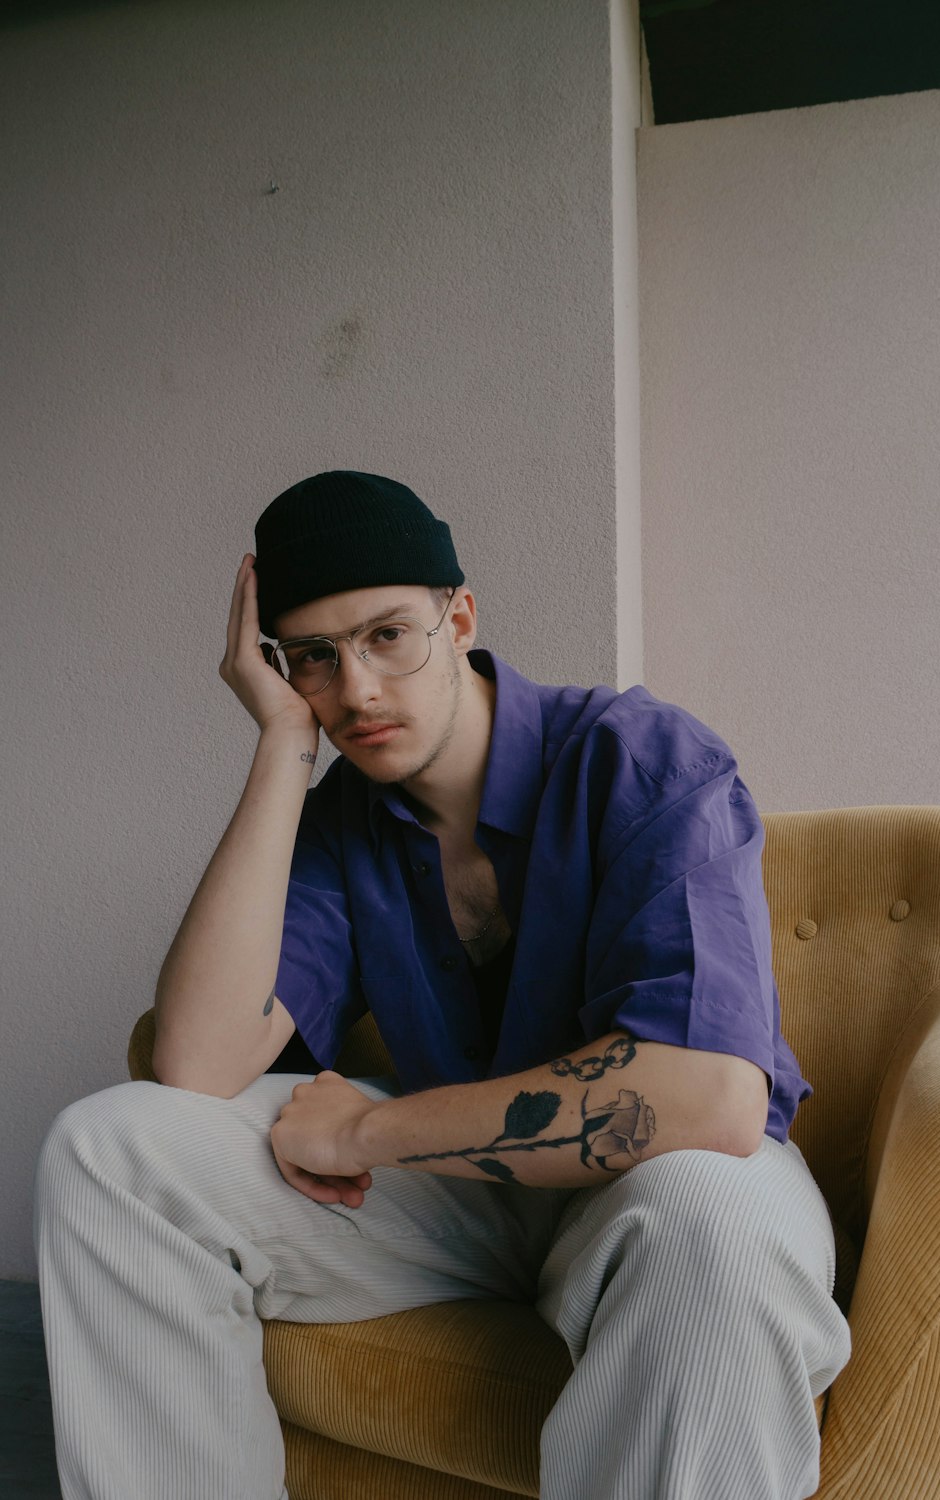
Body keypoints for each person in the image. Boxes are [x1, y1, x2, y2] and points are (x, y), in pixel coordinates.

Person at [34, 470, 851, 1500]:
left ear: (459, 617)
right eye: (314, 660)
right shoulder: (341, 817)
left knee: (712, 1226)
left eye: (386, 637)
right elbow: (193, 1062)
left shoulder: (639, 758)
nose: (357, 692)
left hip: (662, 1180)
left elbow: (708, 1099)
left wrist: (369, 1133)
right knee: (108, 1148)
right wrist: (283, 747)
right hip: (462, 1199)